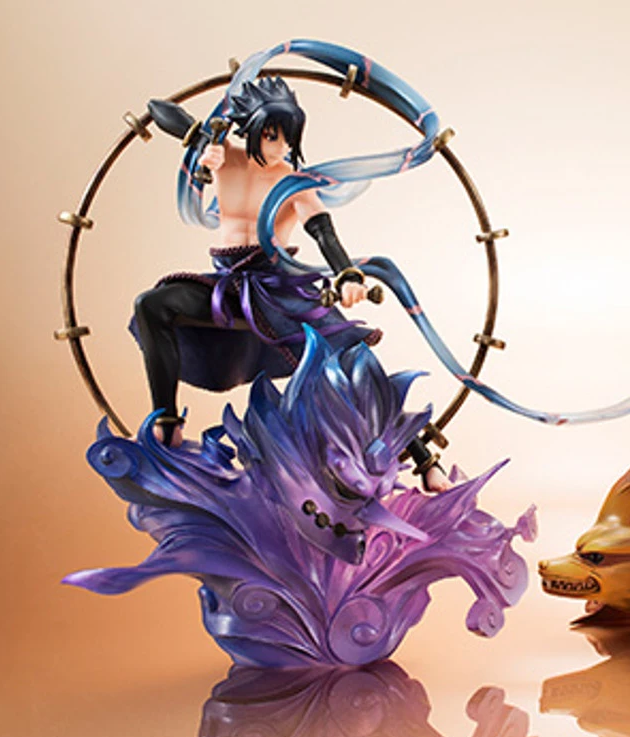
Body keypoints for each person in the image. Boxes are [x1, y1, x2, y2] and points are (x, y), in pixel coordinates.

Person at [131, 76, 448, 488]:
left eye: (288, 137)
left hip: (277, 287)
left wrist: (347, 275)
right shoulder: (224, 156)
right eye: (271, 135)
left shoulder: (294, 183)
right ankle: (167, 423)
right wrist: (200, 142)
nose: (281, 146)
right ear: (251, 129)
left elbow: (323, 232)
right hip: (226, 284)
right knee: (151, 305)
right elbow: (159, 109)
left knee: (347, 361)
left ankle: (424, 457)